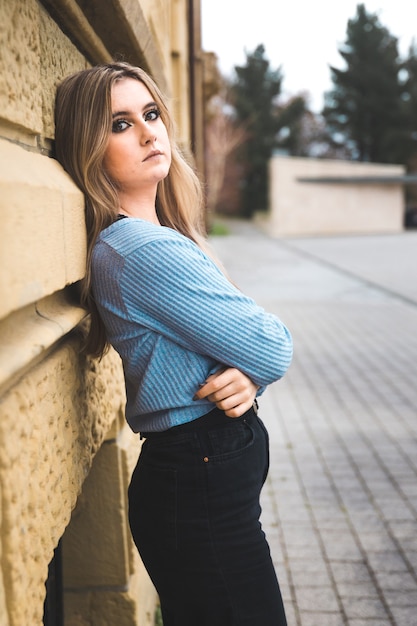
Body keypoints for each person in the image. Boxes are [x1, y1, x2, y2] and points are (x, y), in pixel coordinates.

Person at [54, 62, 293, 626]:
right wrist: (257, 362)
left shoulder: (158, 238)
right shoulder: (138, 249)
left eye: (152, 113)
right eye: (119, 124)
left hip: (202, 474)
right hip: (198, 477)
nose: (146, 132)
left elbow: (248, 349)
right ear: (89, 148)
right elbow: (273, 344)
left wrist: (248, 372)